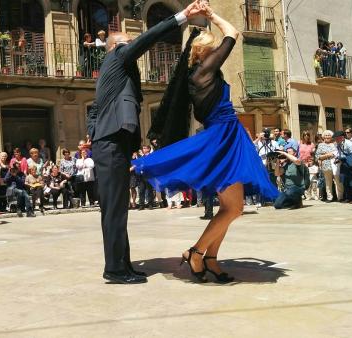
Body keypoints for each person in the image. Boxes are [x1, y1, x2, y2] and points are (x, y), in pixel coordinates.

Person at [132, 3, 278, 284]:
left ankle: (210, 258)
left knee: (229, 208)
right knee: (234, 208)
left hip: (225, 138)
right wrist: (211, 15)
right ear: (205, 53)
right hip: (224, 140)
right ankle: (197, 252)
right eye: (214, 48)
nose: (218, 51)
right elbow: (233, 32)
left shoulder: (196, 77)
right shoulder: (205, 71)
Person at [87, 0, 204, 284]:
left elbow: (93, 110)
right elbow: (147, 39)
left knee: (116, 209)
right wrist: (182, 17)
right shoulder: (116, 58)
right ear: (116, 48)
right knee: (115, 210)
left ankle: (121, 264)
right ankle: (114, 269)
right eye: (127, 43)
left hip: (110, 143)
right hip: (111, 144)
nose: (131, 47)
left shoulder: (113, 75)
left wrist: (95, 134)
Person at [334, 130, 352, 203]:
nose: (336, 140)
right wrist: (338, 158)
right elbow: (339, 154)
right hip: (344, 164)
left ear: (342, 138)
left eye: (337, 138)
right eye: (335, 138)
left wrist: (345, 159)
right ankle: (349, 198)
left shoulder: (348, 143)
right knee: (345, 181)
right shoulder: (338, 144)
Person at [315, 130, 342, 202]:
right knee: (328, 182)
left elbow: (338, 153)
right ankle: (330, 197)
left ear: (331, 137)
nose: (327, 136)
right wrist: (328, 155)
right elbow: (317, 156)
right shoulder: (320, 145)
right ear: (323, 137)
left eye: (329, 135)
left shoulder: (335, 144)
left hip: (336, 165)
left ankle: (340, 197)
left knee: (338, 181)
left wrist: (329, 155)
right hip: (326, 166)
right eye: (326, 135)